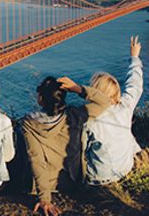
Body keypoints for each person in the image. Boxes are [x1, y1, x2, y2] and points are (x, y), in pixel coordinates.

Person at [22, 75, 111, 216]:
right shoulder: (75, 115)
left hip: (48, 185)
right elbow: (105, 102)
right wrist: (78, 89)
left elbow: (36, 160)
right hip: (73, 180)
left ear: (40, 99)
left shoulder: (30, 124)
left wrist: (45, 199)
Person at [83, 36, 144, 186]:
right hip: (125, 169)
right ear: (116, 91)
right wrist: (134, 57)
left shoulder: (89, 119)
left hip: (98, 177)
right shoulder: (125, 107)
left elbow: (79, 150)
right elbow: (135, 84)